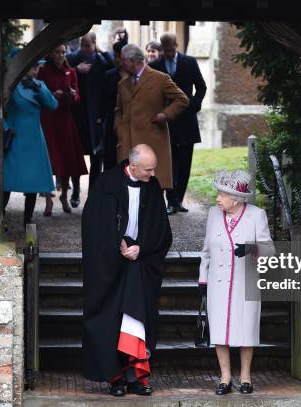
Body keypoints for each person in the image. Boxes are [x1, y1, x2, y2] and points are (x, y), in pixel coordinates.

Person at [81, 144, 172, 397]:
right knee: (110, 320)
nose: (152, 174)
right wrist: (117, 242)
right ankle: (115, 378)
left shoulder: (152, 187)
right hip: (109, 263)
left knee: (136, 317)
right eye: (147, 169)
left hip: (141, 263)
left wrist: (141, 249)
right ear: (132, 166)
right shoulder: (106, 184)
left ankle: (136, 376)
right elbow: (94, 225)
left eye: (153, 169)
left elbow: (161, 229)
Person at [197, 170, 275, 395]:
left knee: (246, 330)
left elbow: (270, 250)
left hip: (245, 281)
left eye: (222, 195)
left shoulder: (256, 215)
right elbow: (206, 251)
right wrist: (203, 279)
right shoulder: (213, 214)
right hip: (218, 283)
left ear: (236, 199)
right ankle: (225, 378)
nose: (217, 199)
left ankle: (246, 377)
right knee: (219, 329)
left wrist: (251, 248)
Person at [114, 43, 189, 191]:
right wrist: (119, 129)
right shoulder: (123, 84)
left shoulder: (160, 79)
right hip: (128, 144)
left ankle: (154, 213)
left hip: (152, 142)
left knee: (154, 186)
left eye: (123, 60)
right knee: (129, 187)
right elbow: (118, 110)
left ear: (134, 61)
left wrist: (165, 114)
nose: (120, 63)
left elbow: (182, 99)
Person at [150, 32, 207, 215]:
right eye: (166, 50)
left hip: (187, 120)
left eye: (172, 49)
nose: (169, 53)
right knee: (169, 163)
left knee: (185, 164)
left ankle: (179, 199)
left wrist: (194, 105)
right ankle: (171, 201)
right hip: (166, 121)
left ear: (177, 44)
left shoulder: (189, 62)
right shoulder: (155, 66)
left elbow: (201, 86)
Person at [3, 58, 58, 224]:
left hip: (34, 139)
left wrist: (39, 88)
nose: (36, 71)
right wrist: (5, 127)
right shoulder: (11, 85)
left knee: (32, 183)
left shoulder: (38, 85)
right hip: (16, 138)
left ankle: (28, 220)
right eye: (33, 67)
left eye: (37, 67)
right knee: (8, 182)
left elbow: (53, 105)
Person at [38, 44, 88, 214]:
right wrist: (52, 95)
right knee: (48, 161)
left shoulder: (71, 71)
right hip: (48, 120)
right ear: (51, 53)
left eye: (63, 52)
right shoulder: (43, 71)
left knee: (67, 160)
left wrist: (72, 95)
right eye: (57, 51)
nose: (60, 55)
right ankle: (48, 200)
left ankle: (64, 196)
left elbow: (77, 97)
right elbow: (39, 95)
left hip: (65, 120)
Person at [68, 32, 114, 204]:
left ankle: (93, 193)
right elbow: (64, 70)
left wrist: (101, 53)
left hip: (96, 116)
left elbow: (113, 67)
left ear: (94, 44)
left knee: (97, 155)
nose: (84, 49)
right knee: (76, 155)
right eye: (82, 45)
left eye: (87, 45)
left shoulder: (102, 60)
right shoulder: (73, 59)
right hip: (77, 114)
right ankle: (76, 190)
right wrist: (76, 70)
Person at [100, 40, 128, 171]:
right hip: (112, 122)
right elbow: (104, 99)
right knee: (110, 158)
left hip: (130, 122)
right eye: (115, 56)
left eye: (119, 56)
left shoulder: (136, 76)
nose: (116, 59)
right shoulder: (109, 75)